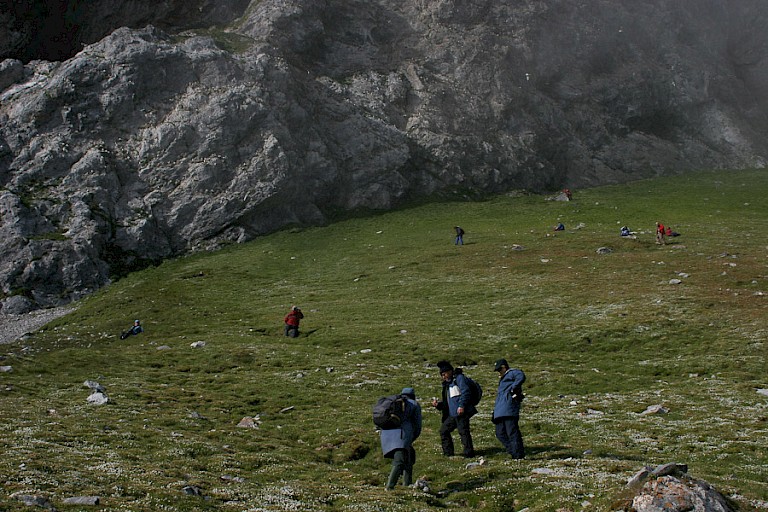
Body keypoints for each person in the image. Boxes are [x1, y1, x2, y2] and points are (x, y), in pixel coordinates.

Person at [380, 387, 422, 490]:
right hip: (402, 436)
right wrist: (411, 438)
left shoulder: (392, 404)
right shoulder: (413, 404)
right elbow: (417, 425)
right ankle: (389, 487)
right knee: (399, 460)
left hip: (385, 435)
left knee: (409, 457)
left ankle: (407, 485)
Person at [431, 361, 476, 457]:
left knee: (463, 432)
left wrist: (461, 406)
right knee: (444, 431)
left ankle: (469, 453)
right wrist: (438, 405)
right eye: (442, 375)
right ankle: (448, 453)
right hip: (452, 414)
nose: (444, 377)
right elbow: (447, 403)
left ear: (450, 371)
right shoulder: (447, 385)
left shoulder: (459, 379)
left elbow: (466, 392)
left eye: (444, 374)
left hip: (461, 412)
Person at [492, 358, 526, 459]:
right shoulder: (502, 380)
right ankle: (514, 452)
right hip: (501, 410)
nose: (498, 372)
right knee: (500, 433)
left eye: (499, 369)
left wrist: (514, 388)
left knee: (512, 432)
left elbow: (521, 376)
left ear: (504, 367)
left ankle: (518, 454)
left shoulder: (512, 373)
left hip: (509, 409)